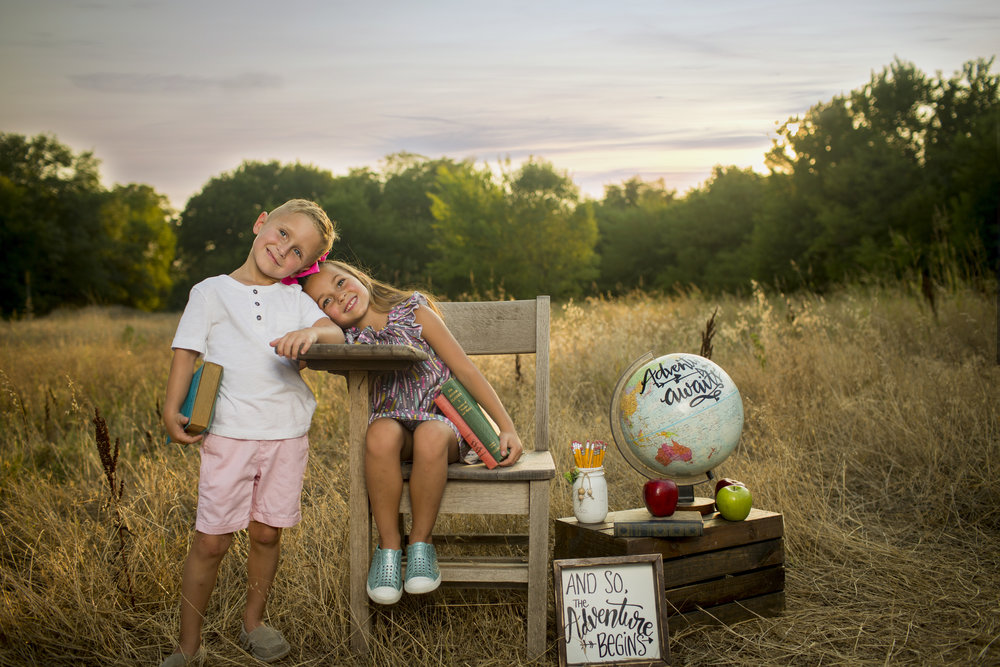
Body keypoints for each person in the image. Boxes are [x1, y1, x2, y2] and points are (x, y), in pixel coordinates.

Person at [160, 199, 345, 666]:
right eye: (282, 234)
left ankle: (254, 622)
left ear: (307, 264)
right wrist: (169, 408)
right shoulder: (211, 292)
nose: (285, 251)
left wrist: (312, 336)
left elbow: (336, 335)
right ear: (261, 222)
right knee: (211, 539)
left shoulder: (297, 301)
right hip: (229, 434)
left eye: (299, 251)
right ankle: (189, 646)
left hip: (287, 433)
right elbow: (186, 350)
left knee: (266, 534)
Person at [300, 260, 524, 605]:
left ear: (358, 276)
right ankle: (389, 549)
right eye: (326, 302)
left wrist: (506, 427)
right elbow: (308, 350)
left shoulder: (413, 312)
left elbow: (464, 369)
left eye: (341, 283)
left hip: (442, 427)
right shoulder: (346, 338)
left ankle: (421, 545)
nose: (340, 298)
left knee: (429, 434)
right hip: (392, 430)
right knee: (379, 434)